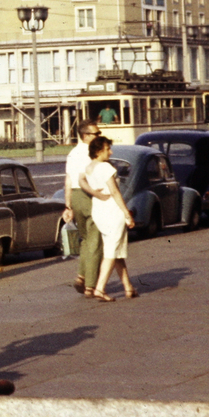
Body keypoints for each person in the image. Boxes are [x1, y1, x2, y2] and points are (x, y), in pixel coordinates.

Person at [84, 136, 137, 301]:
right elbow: (115, 192)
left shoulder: (89, 168)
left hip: (99, 211)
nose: (111, 152)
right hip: (112, 211)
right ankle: (100, 288)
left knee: (115, 251)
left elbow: (85, 183)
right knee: (111, 252)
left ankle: (128, 287)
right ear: (99, 151)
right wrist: (127, 214)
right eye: (108, 149)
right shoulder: (106, 168)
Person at [61, 119, 104, 293]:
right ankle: (90, 285)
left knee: (85, 239)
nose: (99, 136)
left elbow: (68, 180)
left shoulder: (72, 153)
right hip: (90, 195)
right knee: (95, 241)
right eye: (96, 134)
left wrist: (68, 205)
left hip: (76, 197)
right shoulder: (93, 153)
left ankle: (81, 275)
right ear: (86, 135)